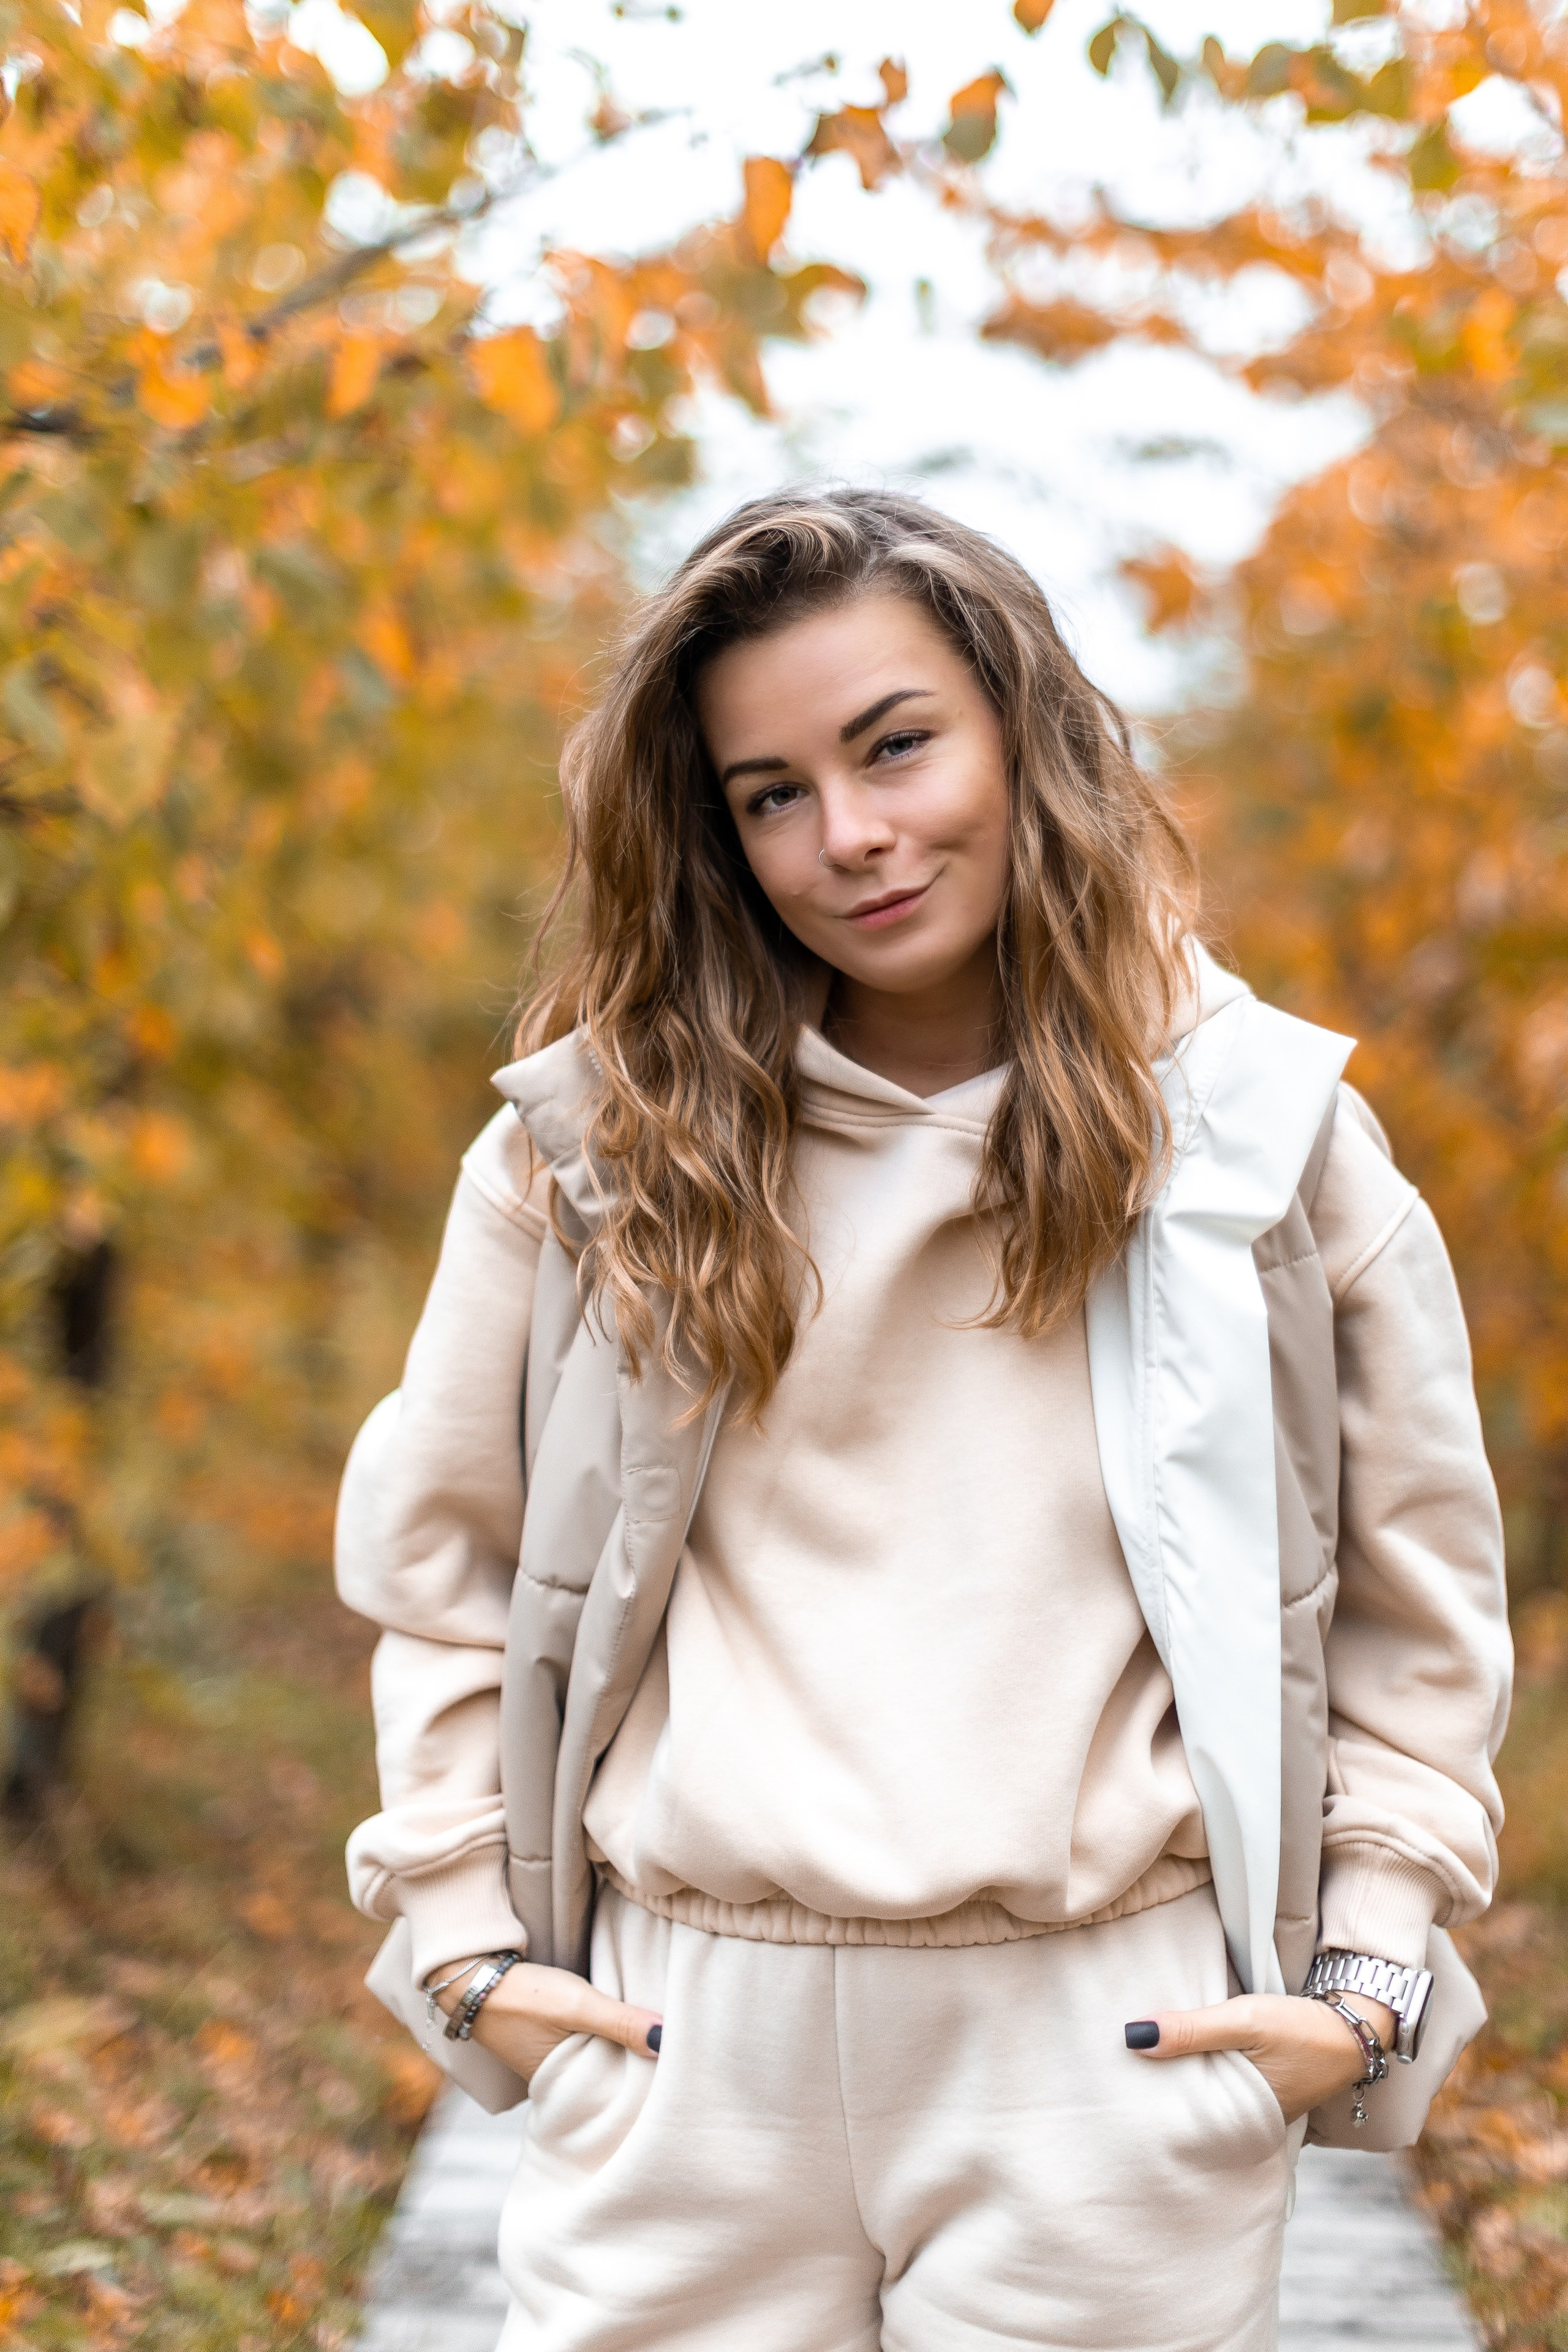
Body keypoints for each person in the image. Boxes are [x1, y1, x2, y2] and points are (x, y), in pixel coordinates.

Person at [336, 488, 1511, 2352]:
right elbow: (444, 1565)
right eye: (770, 792)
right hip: (681, 2046)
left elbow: (1419, 1606)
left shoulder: (1265, 1141)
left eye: (895, 747)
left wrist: (1364, 1978)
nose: (850, 837)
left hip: (1106, 2053)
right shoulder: (596, 1157)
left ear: (1022, 734)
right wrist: (470, 1942)